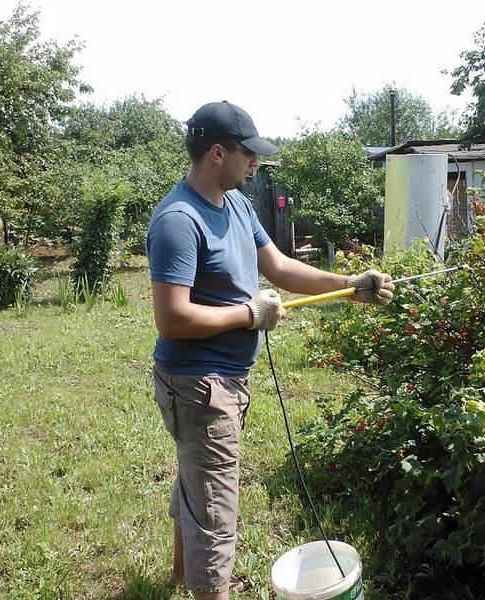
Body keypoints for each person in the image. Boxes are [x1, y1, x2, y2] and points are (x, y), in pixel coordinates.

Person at [146, 100, 394, 599]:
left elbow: (279, 267)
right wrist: (250, 315)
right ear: (218, 152)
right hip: (199, 385)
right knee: (216, 509)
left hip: (225, 379)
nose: (255, 163)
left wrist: (349, 283)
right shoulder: (178, 220)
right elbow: (171, 319)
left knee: (200, 481)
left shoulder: (236, 203)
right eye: (248, 154)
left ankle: (177, 575)